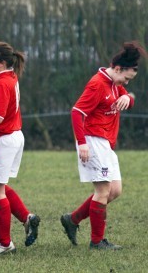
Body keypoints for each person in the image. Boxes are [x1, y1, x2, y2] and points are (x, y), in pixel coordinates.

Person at [60, 41, 147, 250]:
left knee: (114, 191)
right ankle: (97, 241)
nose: (125, 83)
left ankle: (72, 220)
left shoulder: (114, 84)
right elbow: (76, 112)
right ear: (117, 69)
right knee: (103, 190)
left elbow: (127, 96)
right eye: (125, 78)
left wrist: (126, 96)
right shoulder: (98, 84)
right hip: (93, 141)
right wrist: (82, 143)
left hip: (106, 143)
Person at [0, 42, 40, 255]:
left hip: (3, 139)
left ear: (2, 62)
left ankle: (5, 243)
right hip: (11, 137)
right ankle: (27, 218)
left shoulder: (0, 83)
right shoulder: (6, 76)